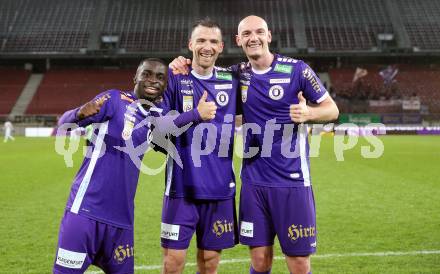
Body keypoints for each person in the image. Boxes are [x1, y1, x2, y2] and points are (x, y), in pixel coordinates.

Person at [170, 15, 339, 274]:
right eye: (247, 34)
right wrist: (181, 63)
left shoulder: (297, 69)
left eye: (259, 32)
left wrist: (309, 114)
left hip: (291, 180)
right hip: (253, 181)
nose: (253, 38)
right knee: (260, 260)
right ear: (238, 41)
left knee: (300, 263)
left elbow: (332, 109)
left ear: (269, 36)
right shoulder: (237, 75)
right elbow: (205, 76)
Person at [53, 58, 215, 274]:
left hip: (122, 221)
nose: (153, 81)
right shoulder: (113, 99)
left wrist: (194, 109)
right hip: (85, 213)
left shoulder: (156, 114)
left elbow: (166, 125)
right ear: (135, 77)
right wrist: (79, 113)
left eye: (160, 77)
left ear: (165, 85)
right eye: (147, 74)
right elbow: (63, 124)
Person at [160, 18, 239, 274]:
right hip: (181, 189)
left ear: (221, 47)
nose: (207, 46)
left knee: (210, 263)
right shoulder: (173, 77)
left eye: (213, 41)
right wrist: (196, 114)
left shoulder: (233, 79)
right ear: (190, 44)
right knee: (173, 263)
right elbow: (158, 130)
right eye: (201, 40)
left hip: (219, 189)